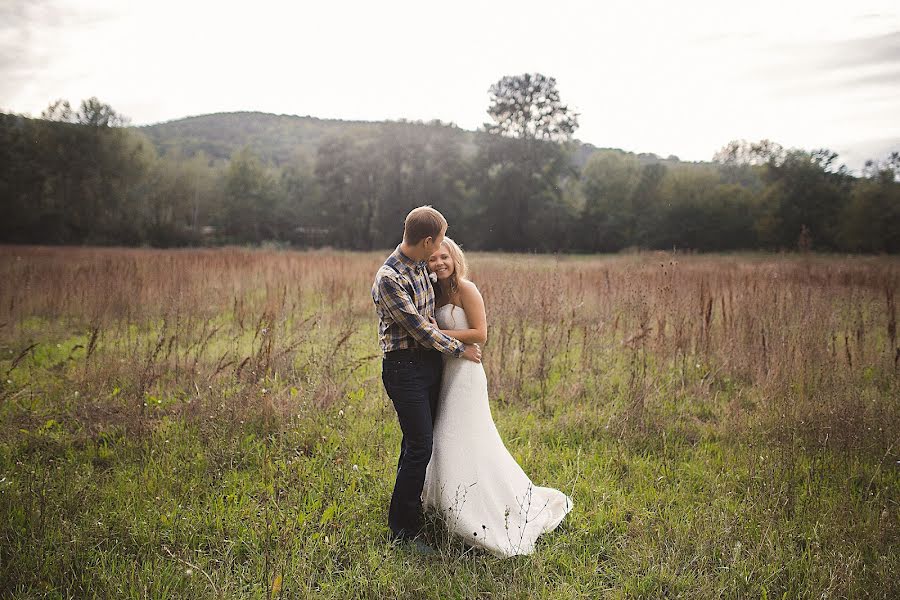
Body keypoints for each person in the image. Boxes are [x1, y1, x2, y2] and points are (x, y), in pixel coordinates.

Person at [422, 236, 572, 557]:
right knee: (443, 437)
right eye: (433, 259)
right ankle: (443, 502)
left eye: (444, 257)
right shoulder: (433, 292)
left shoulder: (467, 289)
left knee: (456, 436)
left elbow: (481, 334)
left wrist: (440, 334)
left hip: (465, 374)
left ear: (454, 257)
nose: (439, 264)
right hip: (444, 373)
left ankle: (471, 509)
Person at [371, 206, 482, 553]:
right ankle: (402, 532)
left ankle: (412, 510)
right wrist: (459, 349)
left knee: (418, 443)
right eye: (436, 243)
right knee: (420, 446)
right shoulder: (389, 279)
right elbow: (420, 330)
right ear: (425, 240)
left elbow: (435, 309)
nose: (438, 251)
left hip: (430, 366)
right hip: (404, 368)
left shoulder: (421, 262)